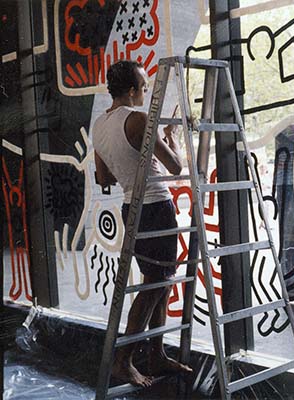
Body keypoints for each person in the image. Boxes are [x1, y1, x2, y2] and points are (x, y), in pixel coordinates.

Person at [93, 60, 192, 386]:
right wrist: (171, 138)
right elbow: (175, 166)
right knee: (153, 288)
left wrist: (131, 162)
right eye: (144, 87)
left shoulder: (100, 126)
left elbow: (104, 177)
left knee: (158, 282)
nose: (145, 92)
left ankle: (156, 354)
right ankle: (124, 360)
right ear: (132, 90)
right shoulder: (138, 121)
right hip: (155, 208)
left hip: (130, 208)